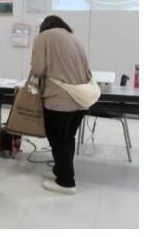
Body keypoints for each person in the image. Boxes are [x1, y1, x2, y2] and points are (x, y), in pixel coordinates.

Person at [30, 16, 94, 196]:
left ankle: (66, 182)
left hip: (59, 100)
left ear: (44, 27)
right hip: (81, 99)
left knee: (58, 141)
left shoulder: (43, 38)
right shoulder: (74, 38)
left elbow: (38, 69)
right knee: (68, 138)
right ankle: (60, 170)